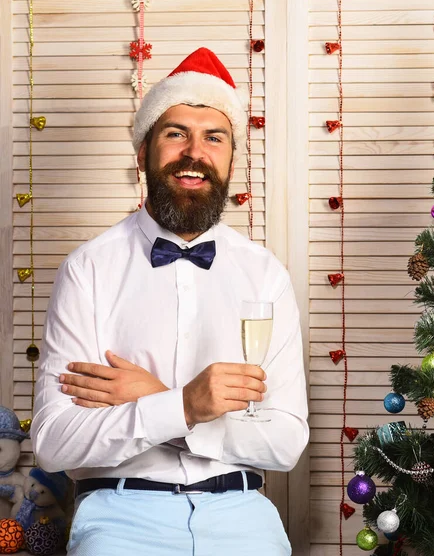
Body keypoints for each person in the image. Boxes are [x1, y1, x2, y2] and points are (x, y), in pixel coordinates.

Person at [31, 47, 309, 556]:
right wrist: (184, 405)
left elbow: (286, 441)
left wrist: (158, 399)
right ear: (143, 152)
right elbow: (54, 443)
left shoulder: (265, 275)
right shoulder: (88, 270)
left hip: (243, 514)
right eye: (176, 133)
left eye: (214, 137)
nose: (194, 152)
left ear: (230, 159)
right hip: (119, 517)